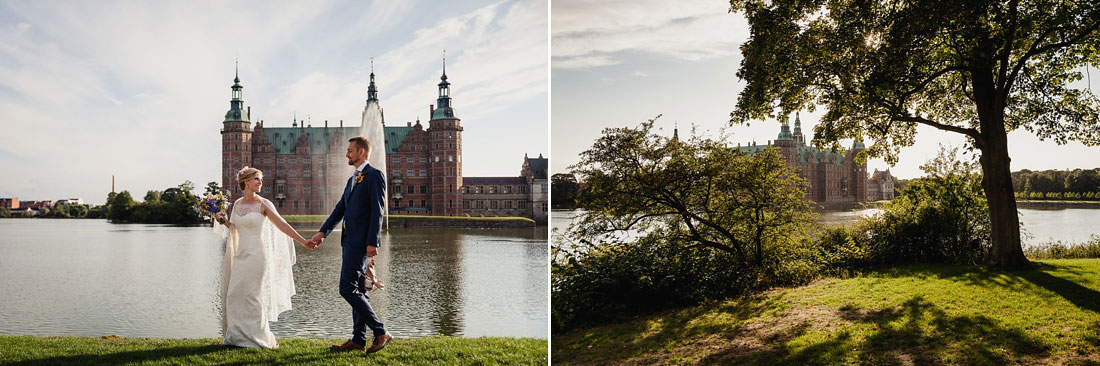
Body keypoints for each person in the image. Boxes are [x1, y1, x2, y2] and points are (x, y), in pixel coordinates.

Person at [309, 136, 393, 354]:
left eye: (350, 151)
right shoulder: (353, 179)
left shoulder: (374, 175)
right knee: (358, 290)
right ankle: (358, 339)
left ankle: (380, 330)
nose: (346, 154)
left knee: (347, 289)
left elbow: (377, 210)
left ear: (362, 152)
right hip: (349, 241)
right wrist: (322, 232)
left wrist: (372, 242)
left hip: (361, 243)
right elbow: (340, 209)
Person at [214, 166, 313, 348]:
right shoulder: (237, 204)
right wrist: (221, 219)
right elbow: (234, 229)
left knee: (252, 296)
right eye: (257, 179)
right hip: (241, 255)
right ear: (246, 182)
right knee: (234, 294)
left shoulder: (264, 204)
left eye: (261, 179)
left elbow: (282, 225)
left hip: (257, 256)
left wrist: (302, 241)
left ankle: (257, 338)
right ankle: (235, 337)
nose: (261, 183)